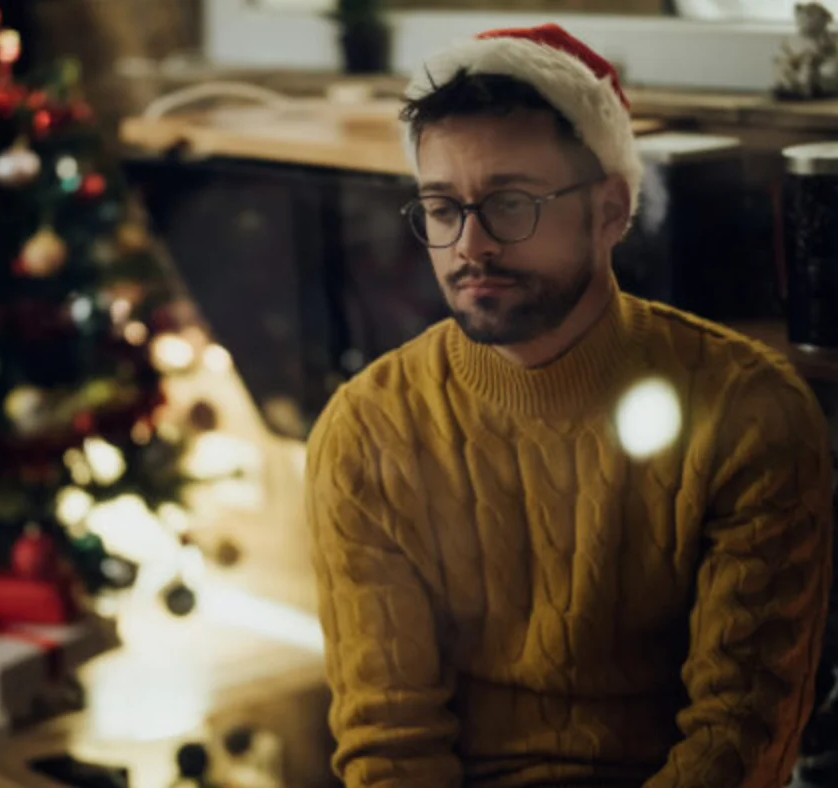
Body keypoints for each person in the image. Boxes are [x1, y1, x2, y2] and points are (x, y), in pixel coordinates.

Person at [305, 23, 834, 788]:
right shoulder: (368, 430)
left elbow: (740, 736)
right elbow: (389, 743)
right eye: (443, 208)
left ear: (611, 211)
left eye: (511, 203)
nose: (471, 246)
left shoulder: (748, 412)